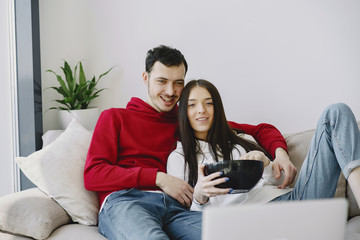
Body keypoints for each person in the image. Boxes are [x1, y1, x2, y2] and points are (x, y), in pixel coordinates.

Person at [83, 45, 294, 240]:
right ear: (145, 78)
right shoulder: (115, 118)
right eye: (162, 81)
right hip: (127, 201)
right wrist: (159, 178)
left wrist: (280, 153)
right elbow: (93, 174)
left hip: (177, 211)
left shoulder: (188, 120)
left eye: (178, 83)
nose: (170, 91)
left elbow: (260, 130)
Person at [167, 79, 360, 211]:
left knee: (336, 112)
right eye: (192, 105)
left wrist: (265, 163)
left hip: (293, 202)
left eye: (208, 103)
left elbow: (281, 181)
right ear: (183, 111)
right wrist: (200, 196)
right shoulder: (179, 158)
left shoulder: (239, 141)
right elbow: (184, 220)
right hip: (249, 220)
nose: (201, 110)